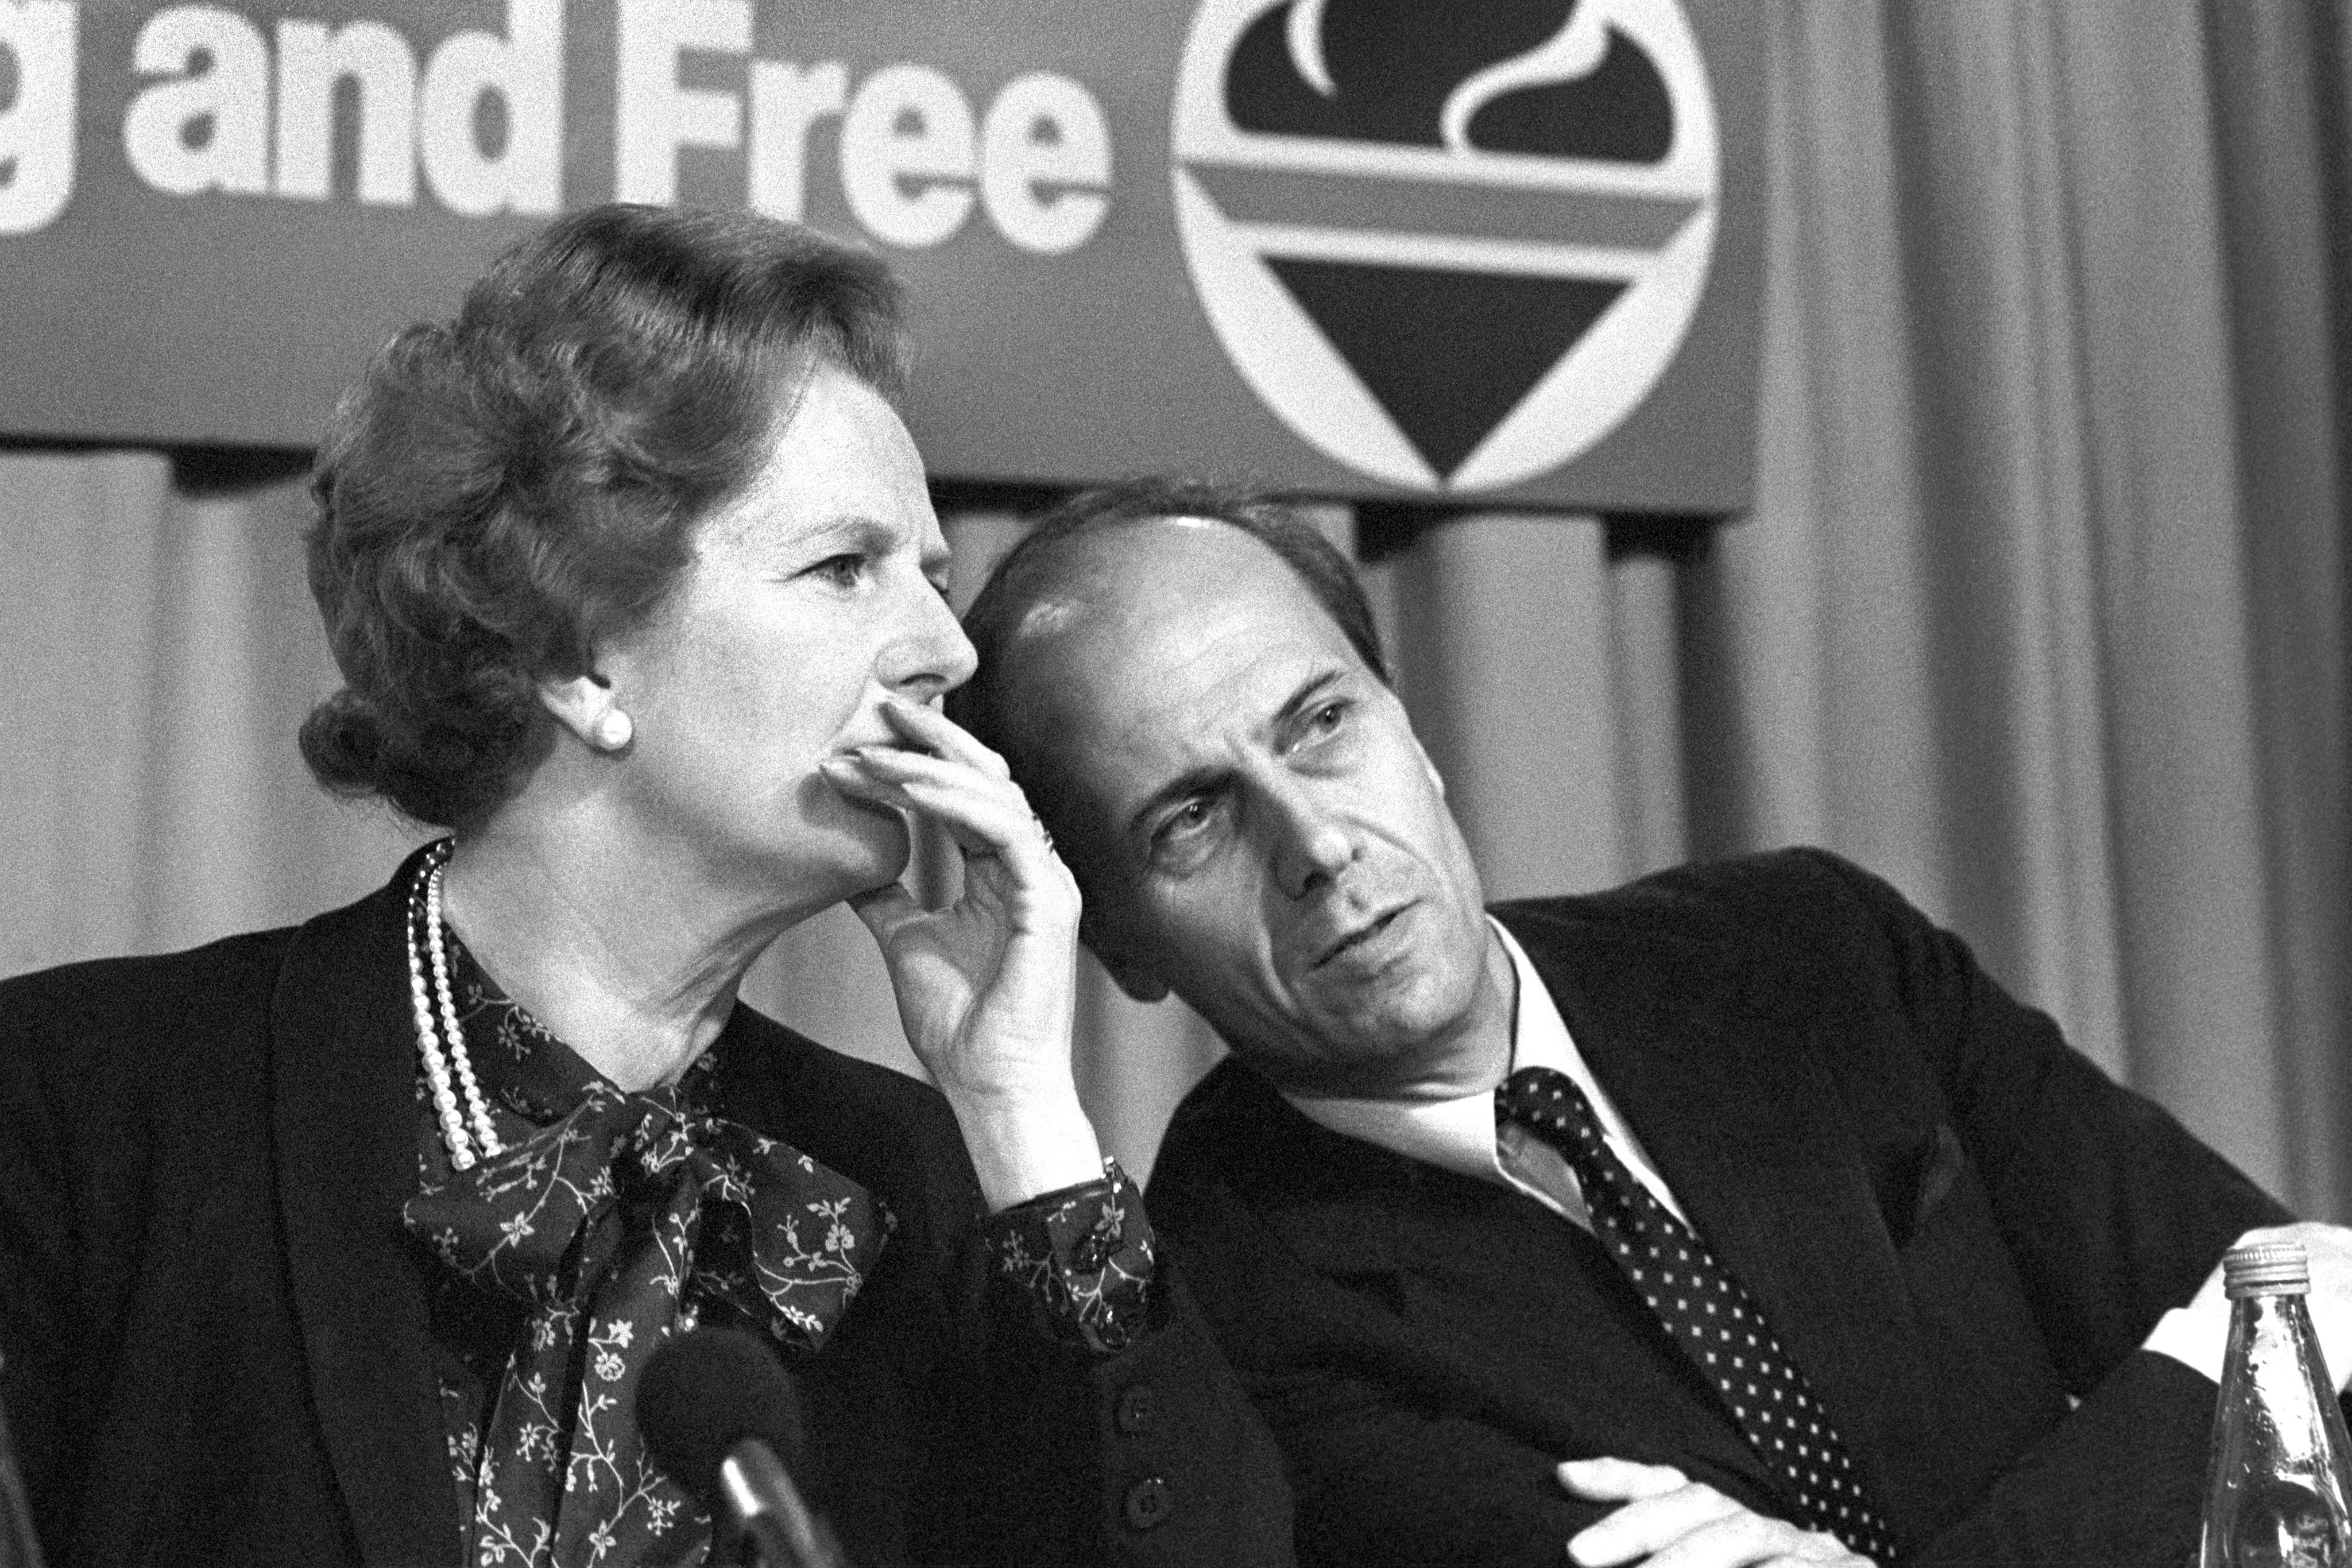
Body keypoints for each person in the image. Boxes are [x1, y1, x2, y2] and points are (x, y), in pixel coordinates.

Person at [0, 211, 1291, 1568]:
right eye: (845, 569)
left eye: (933, 577)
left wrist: (1022, 1108)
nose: (943, 653)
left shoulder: (925, 1185)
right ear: (581, 658)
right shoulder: (82, 1109)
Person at [946, 478, 2352, 1568]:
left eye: (1320, 723)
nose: (1315, 840)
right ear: (1113, 937)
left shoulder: (1805, 949)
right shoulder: (1236, 1315)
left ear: (1412, 729)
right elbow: (2252, 1365)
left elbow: (2311, 1354)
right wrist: (2178, 1388)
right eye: (1192, 816)